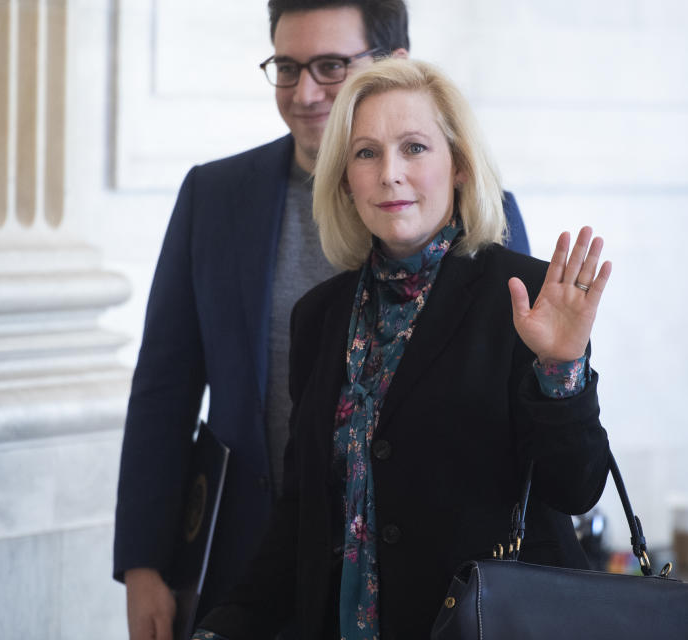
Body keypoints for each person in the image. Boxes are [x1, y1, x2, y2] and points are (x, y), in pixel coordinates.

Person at [113, 2, 530, 639]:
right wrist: (144, 564)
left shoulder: (476, 211)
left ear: (392, 66)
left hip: (434, 596)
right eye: (287, 66)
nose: (306, 93)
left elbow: (527, 426)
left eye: (331, 65)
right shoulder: (214, 196)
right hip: (248, 568)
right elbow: (164, 389)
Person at [194, 58, 612, 640]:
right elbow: (302, 518)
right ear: (345, 176)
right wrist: (225, 624)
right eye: (366, 153)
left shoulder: (524, 296)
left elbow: (576, 488)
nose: (389, 173)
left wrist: (561, 367)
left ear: (459, 165)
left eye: (414, 148)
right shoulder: (318, 317)